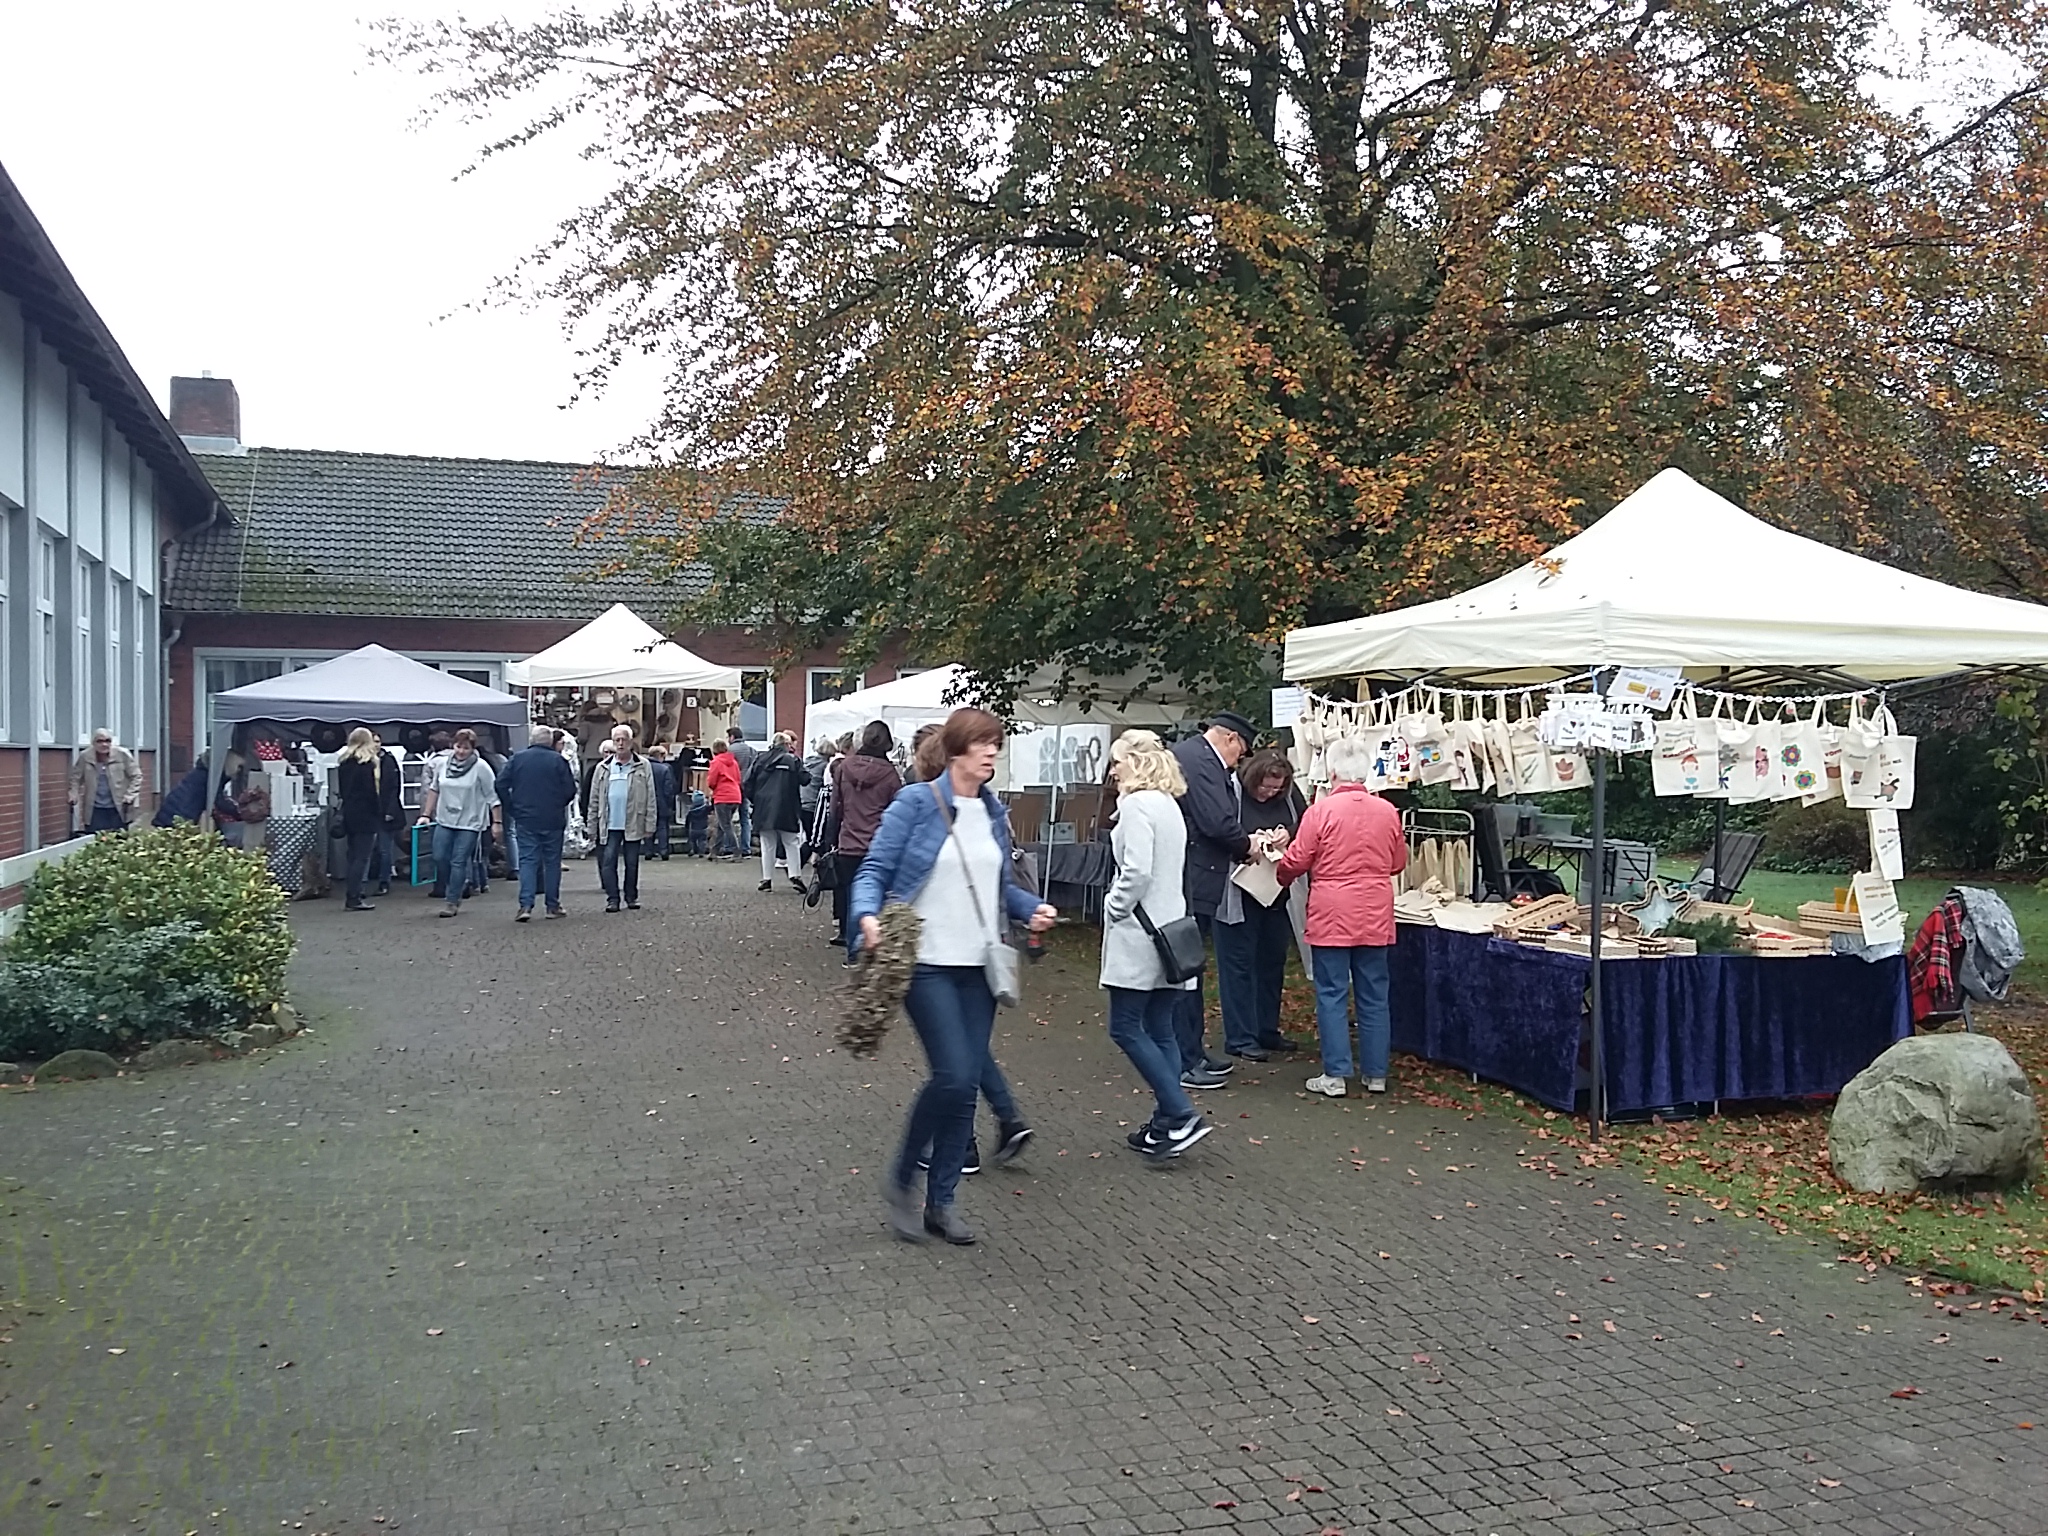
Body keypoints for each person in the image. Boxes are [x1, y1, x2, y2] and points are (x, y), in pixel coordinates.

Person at [852, 709, 1057, 1245]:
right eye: (983, 745)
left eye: (997, 745)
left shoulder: (992, 811)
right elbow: (874, 868)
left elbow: (995, 886)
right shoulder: (917, 803)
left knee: (965, 1087)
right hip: (925, 963)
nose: (992, 753)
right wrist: (866, 914)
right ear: (957, 750)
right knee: (952, 1075)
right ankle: (902, 1178)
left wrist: (1029, 907)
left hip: (980, 965)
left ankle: (941, 1204)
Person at [1100, 730, 1214, 1159]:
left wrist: (1113, 905)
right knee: (1160, 1026)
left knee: (1125, 1025)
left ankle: (1179, 1111)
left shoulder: (1134, 807)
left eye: (1118, 761)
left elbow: (1136, 870)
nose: (1114, 770)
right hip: (1171, 930)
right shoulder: (1169, 806)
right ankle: (1167, 1122)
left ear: (1137, 762)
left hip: (1140, 932)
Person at [1276, 734, 1408, 1096]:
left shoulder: (1320, 812)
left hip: (1331, 907)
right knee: (1374, 993)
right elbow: (1398, 862)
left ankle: (1335, 1074)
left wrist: (1281, 874)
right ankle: (1376, 1073)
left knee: (1332, 992)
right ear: (1366, 773)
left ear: (1331, 772)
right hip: (1375, 908)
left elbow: (1298, 858)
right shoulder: (1387, 811)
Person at [1168, 711, 1261, 1090]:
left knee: (1192, 968)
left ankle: (1193, 1050)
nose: (1240, 761)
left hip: (1193, 875)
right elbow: (1217, 821)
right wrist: (1247, 846)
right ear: (1230, 738)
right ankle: (1184, 1059)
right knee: (1186, 970)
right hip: (1191, 878)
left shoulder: (1191, 756)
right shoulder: (1201, 761)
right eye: (1242, 751)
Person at [1219, 749, 1309, 1059]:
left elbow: (1307, 824)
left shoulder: (1288, 796)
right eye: (1264, 787)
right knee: (1239, 966)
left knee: (1272, 963)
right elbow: (1220, 828)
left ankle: (1266, 1029)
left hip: (1275, 891)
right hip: (1238, 892)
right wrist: (1250, 841)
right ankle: (1240, 1037)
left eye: (1275, 788)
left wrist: (1288, 834)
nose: (1268, 793)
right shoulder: (1231, 792)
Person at [830, 721, 903, 962]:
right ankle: (873, 950)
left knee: (853, 897)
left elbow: (835, 808)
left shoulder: (843, 768)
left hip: (848, 842)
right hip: (878, 844)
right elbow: (895, 813)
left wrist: (831, 840)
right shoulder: (891, 775)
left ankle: (853, 953)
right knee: (877, 899)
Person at [498, 724, 579, 920]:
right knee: (552, 862)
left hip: (525, 817)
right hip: (552, 817)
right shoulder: (558, 760)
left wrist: (511, 807)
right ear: (550, 741)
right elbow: (570, 789)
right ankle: (552, 906)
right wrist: (558, 803)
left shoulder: (517, 759)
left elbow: (500, 783)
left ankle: (525, 905)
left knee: (528, 860)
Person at [418, 729, 499, 919]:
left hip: (469, 822)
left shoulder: (481, 767)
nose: (461, 751)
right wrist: (426, 814)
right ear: (452, 746)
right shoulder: (442, 765)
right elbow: (434, 789)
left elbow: (493, 797)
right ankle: (454, 884)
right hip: (445, 818)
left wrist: (497, 822)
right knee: (439, 857)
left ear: (473, 748)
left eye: (466, 748)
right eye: (458, 747)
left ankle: (452, 900)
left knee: (459, 860)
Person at [587, 723, 655, 911]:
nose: (620, 743)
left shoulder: (643, 765)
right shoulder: (602, 768)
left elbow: (651, 796)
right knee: (608, 862)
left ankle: (631, 897)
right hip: (608, 824)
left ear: (631, 742)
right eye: (617, 740)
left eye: (624, 739)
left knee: (632, 863)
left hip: (633, 821)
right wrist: (591, 826)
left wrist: (650, 823)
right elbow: (594, 799)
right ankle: (612, 898)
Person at [337, 728, 402, 912]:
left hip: (349, 814)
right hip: (366, 816)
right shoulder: (366, 765)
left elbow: (343, 791)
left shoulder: (344, 763)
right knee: (362, 857)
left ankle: (352, 892)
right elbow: (371, 793)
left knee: (352, 856)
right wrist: (379, 811)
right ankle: (354, 897)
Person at [747, 731, 809, 892]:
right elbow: (806, 779)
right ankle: (795, 875)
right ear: (787, 745)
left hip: (764, 808)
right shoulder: (793, 760)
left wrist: (757, 801)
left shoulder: (760, 759)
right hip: (787, 807)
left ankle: (766, 879)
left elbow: (747, 783)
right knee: (791, 842)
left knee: (767, 844)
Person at [69, 728, 142, 834]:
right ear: (93, 743)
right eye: (100, 741)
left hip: (119, 806)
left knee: (118, 838)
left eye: (108, 741)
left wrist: (129, 795)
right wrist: (73, 793)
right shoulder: (85, 756)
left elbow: (136, 776)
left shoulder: (122, 754)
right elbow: (75, 778)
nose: (104, 744)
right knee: (95, 838)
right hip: (95, 807)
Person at [152, 754, 214, 827]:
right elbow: (219, 800)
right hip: (180, 814)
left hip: (173, 810)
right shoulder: (209, 776)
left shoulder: (200, 772)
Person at [706, 740, 743, 857]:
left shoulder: (716, 762)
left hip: (722, 796)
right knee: (722, 824)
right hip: (735, 795)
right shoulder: (734, 762)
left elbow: (712, 781)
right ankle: (714, 851)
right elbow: (738, 778)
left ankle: (736, 852)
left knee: (726, 825)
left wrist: (712, 788)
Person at [727, 727, 759, 855]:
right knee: (745, 819)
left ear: (732, 737)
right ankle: (746, 848)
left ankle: (729, 847)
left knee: (727, 820)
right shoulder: (751, 750)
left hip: (733, 787)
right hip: (746, 787)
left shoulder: (729, 751)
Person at [648, 745, 679, 859]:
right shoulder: (665, 769)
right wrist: (670, 802)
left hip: (647, 802)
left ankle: (648, 851)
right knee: (662, 826)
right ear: (660, 756)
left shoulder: (644, 768)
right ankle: (663, 850)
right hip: (662, 802)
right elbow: (669, 788)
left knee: (649, 826)